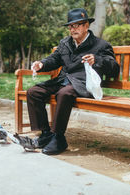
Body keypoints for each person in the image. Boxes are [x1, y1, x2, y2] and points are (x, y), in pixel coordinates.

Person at [27, 8, 120, 155]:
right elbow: (54, 59)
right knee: (34, 92)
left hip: (83, 84)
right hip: (63, 80)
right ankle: (46, 134)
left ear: (86, 26)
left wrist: (97, 60)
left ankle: (58, 138)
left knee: (64, 94)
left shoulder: (101, 45)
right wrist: (42, 64)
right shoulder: (65, 43)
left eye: (77, 25)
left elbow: (114, 68)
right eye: (71, 26)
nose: (73, 29)